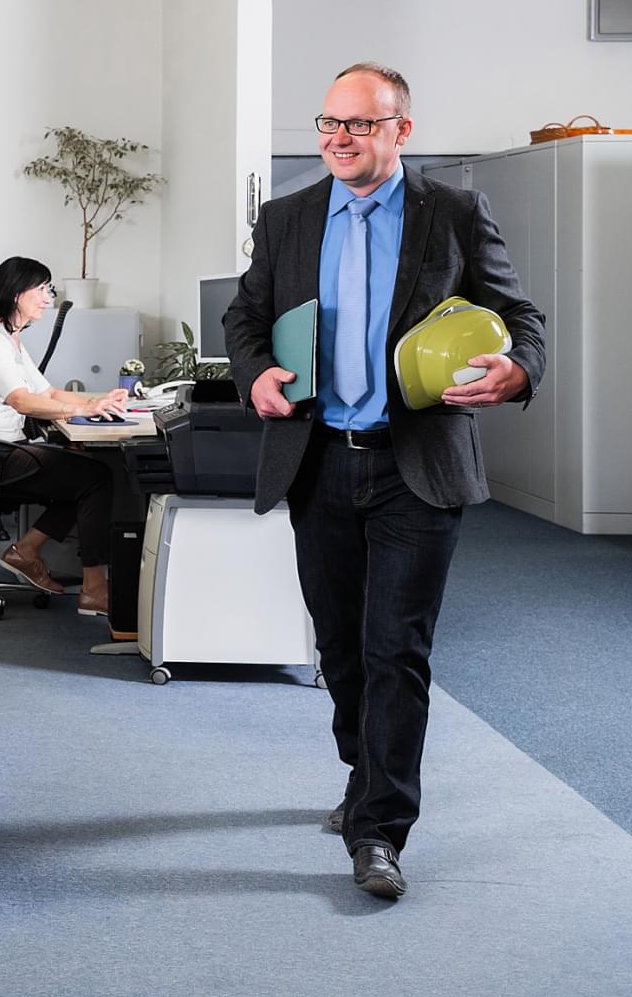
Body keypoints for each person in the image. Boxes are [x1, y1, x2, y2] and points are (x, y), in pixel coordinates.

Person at [225, 61, 545, 902]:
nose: (339, 137)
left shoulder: (455, 213)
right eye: (329, 122)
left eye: (359, 124)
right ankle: (362, 770)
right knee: (340, 646)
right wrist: (255, 373)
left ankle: (379, 830)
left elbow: (522, 319)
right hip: (320, 458)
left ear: (402, 130)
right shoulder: (288, 217)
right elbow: (245, 315)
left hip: (417, 465)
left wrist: (517, 369)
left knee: (395, 647)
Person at [0, 256, 130, 622]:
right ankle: (93, 589)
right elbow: (20, 400)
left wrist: (97, 401)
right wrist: (80, 409)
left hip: (3, 450)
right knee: (94, 478)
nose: (48, 298)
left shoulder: (10, 338)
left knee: (85, 477)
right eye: (42, 290)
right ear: (16, 293)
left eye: (50, 290)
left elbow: (47, 393)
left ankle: (27, 552)